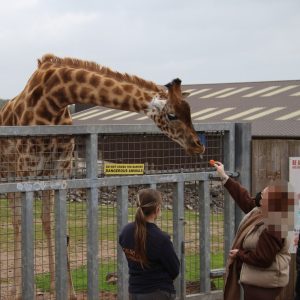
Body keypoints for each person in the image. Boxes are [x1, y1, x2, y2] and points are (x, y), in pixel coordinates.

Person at [213, 161, 292, 300]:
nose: (260, 194)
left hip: (264, 283)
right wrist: (224, 177)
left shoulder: (274, 224)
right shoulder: (261, 212)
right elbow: (245, 199)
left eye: (264, 194)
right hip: (259, 281)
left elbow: (263, 259)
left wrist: (240, 254)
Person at [119, 188, 180, 300]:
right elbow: (175, 269)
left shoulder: (125, 232)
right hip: (157, 292)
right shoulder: (161, 239)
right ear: (157, 209)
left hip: (134, 292)